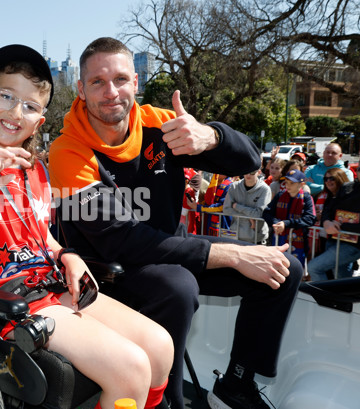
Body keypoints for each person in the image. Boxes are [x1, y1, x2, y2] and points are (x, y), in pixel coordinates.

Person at [48, 37, 303, 409]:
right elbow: (123, 241)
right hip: (105, 270)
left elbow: (249, 161)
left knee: (286, 268)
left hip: (168, 252)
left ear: (136, 82)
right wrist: (230, 254)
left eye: (120, 79)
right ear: (81, 89)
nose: (111, 92)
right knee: (178, 286)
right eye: (98, 82)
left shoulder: (161, 124)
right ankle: (165, 400)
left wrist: (211, 137)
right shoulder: (67, 150)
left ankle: (238, 382)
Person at [0, 44, 173, 409]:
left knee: (160, 347)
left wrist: (65, 254)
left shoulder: (36, 171)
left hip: (46, 287)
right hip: (1, 305)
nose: (17, 112)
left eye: (31, 106)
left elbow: (39, 236)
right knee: (130, 369)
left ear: (40, 120)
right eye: (6, 96)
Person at [308, 168, 360, 281]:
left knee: (314, 268)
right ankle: (341, 298)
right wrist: (327, 223)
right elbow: (329, 207)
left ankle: (327, 299)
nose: (328, 181)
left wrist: (341, 226)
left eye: (332, 178)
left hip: (353, 244)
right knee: (341, 279)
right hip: (334, 240)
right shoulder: (347, 187)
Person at [262, 169, 316, 268]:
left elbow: (310, 218)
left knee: (294, 268)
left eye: (292, 183)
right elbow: (266, 213)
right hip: (278, 238)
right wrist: (275, 222)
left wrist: (286, 223)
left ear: (301, 184)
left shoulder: (306, 197)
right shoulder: (280, 195)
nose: (288, 185)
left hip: (298, 241)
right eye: (286, 182)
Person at [308, 168, 350, 261]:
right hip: (324, 238)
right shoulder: (322, 195)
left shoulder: (349, 196)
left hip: (344, 240)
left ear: (340, 178)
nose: (328, 181)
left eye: (332, 178)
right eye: (326, 179)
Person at [223, 167, 272, 244]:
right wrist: (249, 217)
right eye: (246, 171)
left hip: (256, 238)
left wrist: (237, 206)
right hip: (236, 235)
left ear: (259, 172)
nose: (248, 175)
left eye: (252, 172)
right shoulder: (234, 186)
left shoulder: (265, 189)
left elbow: (259, 213)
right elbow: (226, 210)